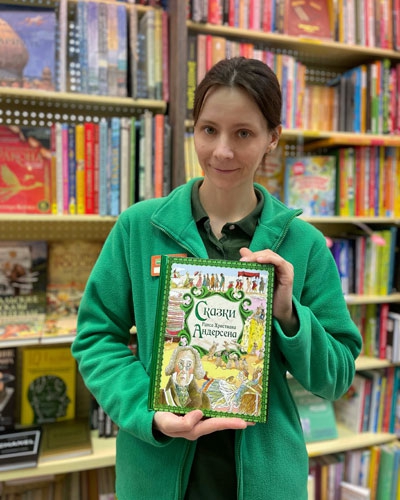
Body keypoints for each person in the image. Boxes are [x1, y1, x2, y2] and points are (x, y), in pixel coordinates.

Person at [71, 57, 362, 500]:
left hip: (264, 482)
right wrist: (149, 411)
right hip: (156, 475)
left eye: (243, 133)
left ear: (272, 138)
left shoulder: (303, 244)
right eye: (209, 130)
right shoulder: (138, 228)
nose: (222, 151)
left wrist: (289, 315)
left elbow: (336, 377)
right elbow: (96, 338)